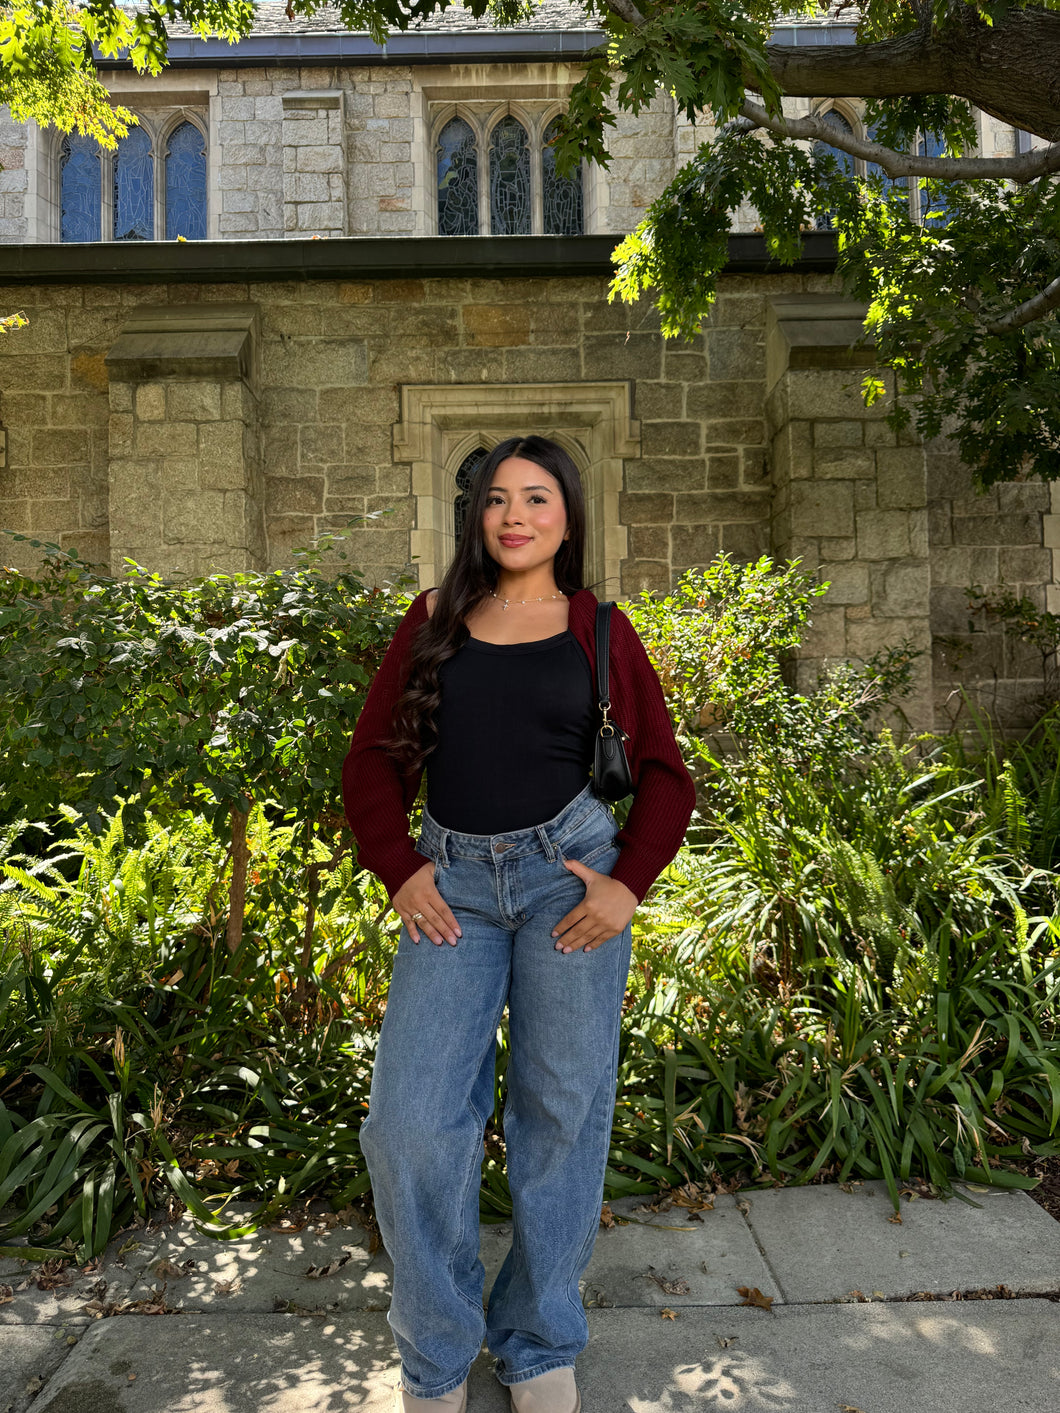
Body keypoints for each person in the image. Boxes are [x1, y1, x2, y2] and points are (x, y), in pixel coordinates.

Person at [342, 436, 695, 1413]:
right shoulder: (431, 621)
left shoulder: (600, 630)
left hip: (564, 886)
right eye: (496, 499)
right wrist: (399, 865)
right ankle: (437, 1355)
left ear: (567, 518)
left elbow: (665, 773)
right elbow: (373, 758)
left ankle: (538, 1343)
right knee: (410, 1124)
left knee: (560, 1117)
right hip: (450, 885)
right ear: (475, 516)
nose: (513, 515)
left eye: (536, 498)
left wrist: (626, 885)